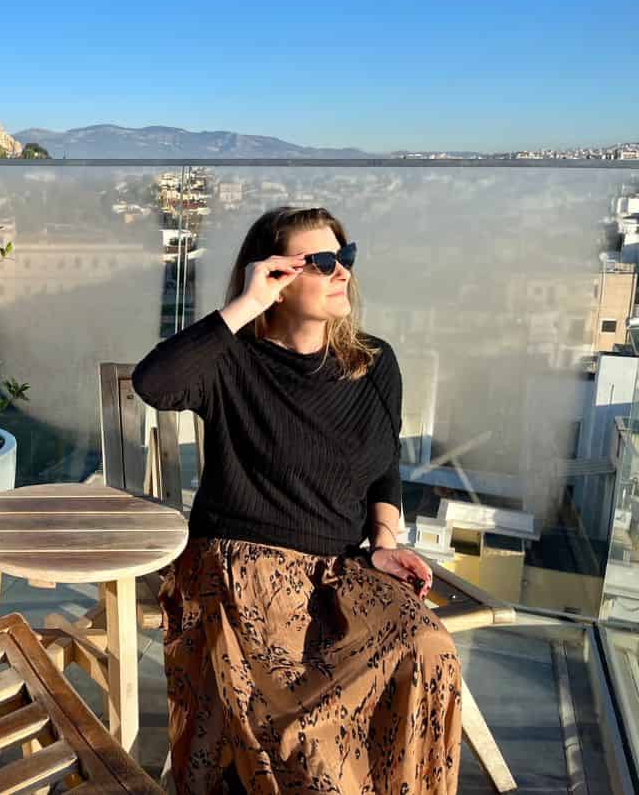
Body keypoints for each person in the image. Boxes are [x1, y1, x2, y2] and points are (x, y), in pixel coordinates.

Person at [132, 206, 461, 794]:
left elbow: (384, 466)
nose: (343, 273)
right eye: (324, 262)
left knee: (428, 648)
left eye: (346, 256)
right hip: (240, 567)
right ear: (276, 278)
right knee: (297, 728)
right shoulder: (230, 361)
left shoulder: (374, 363)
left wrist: (384, 542)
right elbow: (154, 383)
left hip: (340, 572)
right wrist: (246, 305)